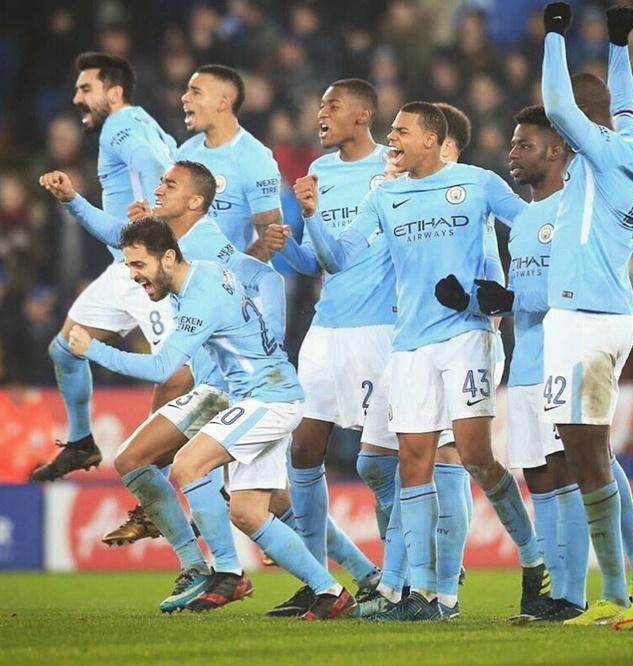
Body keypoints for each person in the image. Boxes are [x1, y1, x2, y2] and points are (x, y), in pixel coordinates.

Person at [295, 101, 550, 621]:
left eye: (401, 131)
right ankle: (428, 595)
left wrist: (499, 295)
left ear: (432, 140)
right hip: (409, 343)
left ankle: (533, 555)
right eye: (391, 131)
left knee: (475, 456)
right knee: (409, 462)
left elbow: (529, 226)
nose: (392, 139)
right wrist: (311, 217)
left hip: (468, 336)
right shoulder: (385, 195)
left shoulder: (476, 183)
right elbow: (338, 258)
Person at [67, 218, 356, 621]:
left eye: (138, 266)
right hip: (265, 394)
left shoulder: (200, 296)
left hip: (266, 398)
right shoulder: (201, 276)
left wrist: (91, 347)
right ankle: (332, 594)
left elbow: (163, 368)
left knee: (188, 464)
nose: (134, 277)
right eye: (130, 267)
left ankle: (228, 573)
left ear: (168, 257)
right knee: (248, 513)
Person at [39, 160, 285, 607]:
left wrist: (267, 352)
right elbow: (119, 234)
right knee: (138, 459)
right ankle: (199, 567)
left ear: (194, 201)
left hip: (229, 387)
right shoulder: (163, 244)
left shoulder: (205, 244)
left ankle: (325, 574)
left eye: (169, 185)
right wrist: (73, 201)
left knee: (253, 493)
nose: (158, 188)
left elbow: (260, 282)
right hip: (210, 383)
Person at [541, 3, 633, 625]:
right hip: (603, 315)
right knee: (591, 450)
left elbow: (565, 107)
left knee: (585, 454)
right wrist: (620, 44)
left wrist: (554, 38)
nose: (557, 133)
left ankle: (617, 596)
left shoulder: (602, 152)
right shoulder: (632, 144)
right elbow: (622, 103)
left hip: (585, 322)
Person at [263, 78, 396, 617]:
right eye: (319, 105)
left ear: (363, 113)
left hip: (382, 330)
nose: (321, 113)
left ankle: (405, 578)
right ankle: (318, 579)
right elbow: (311, 262)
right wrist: (282, 247)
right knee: (303, 447)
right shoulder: (317, 175)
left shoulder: (394, 167)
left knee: (387, 461)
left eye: (332, 105)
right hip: (327, 325)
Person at [31, 52, 178, 486]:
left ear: (114, 93)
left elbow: (154, 164)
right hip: (124, 266)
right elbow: (120, 232)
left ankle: (163, 475)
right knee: (65, 348)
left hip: (148, 271)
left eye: (86, 89)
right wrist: (74, 201)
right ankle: (81, 442)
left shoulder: (122, 124)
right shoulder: (143, 121)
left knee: (176, 377)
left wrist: (156, 218)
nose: (77, 97)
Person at [472, 104, 589, 620]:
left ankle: (573, 596)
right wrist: (489, 300)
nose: (512, 153)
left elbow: (574, 290)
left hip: (563, 362)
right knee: (539, 479)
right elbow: (525, 293)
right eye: (513, 143)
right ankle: (551, 596)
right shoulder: (520, 221)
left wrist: (513, 299)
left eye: (525, 145)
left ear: (557, 151)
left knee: (569, 477)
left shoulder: (578, 208)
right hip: (524, 366)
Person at [177, 64, 283, 260]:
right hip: (188, 283)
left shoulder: (254, 158)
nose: (185, 98)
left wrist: (232, 278)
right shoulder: (185, 153)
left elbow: (271, 237)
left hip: (235, 285)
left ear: (223, 103)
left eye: (196, 92)